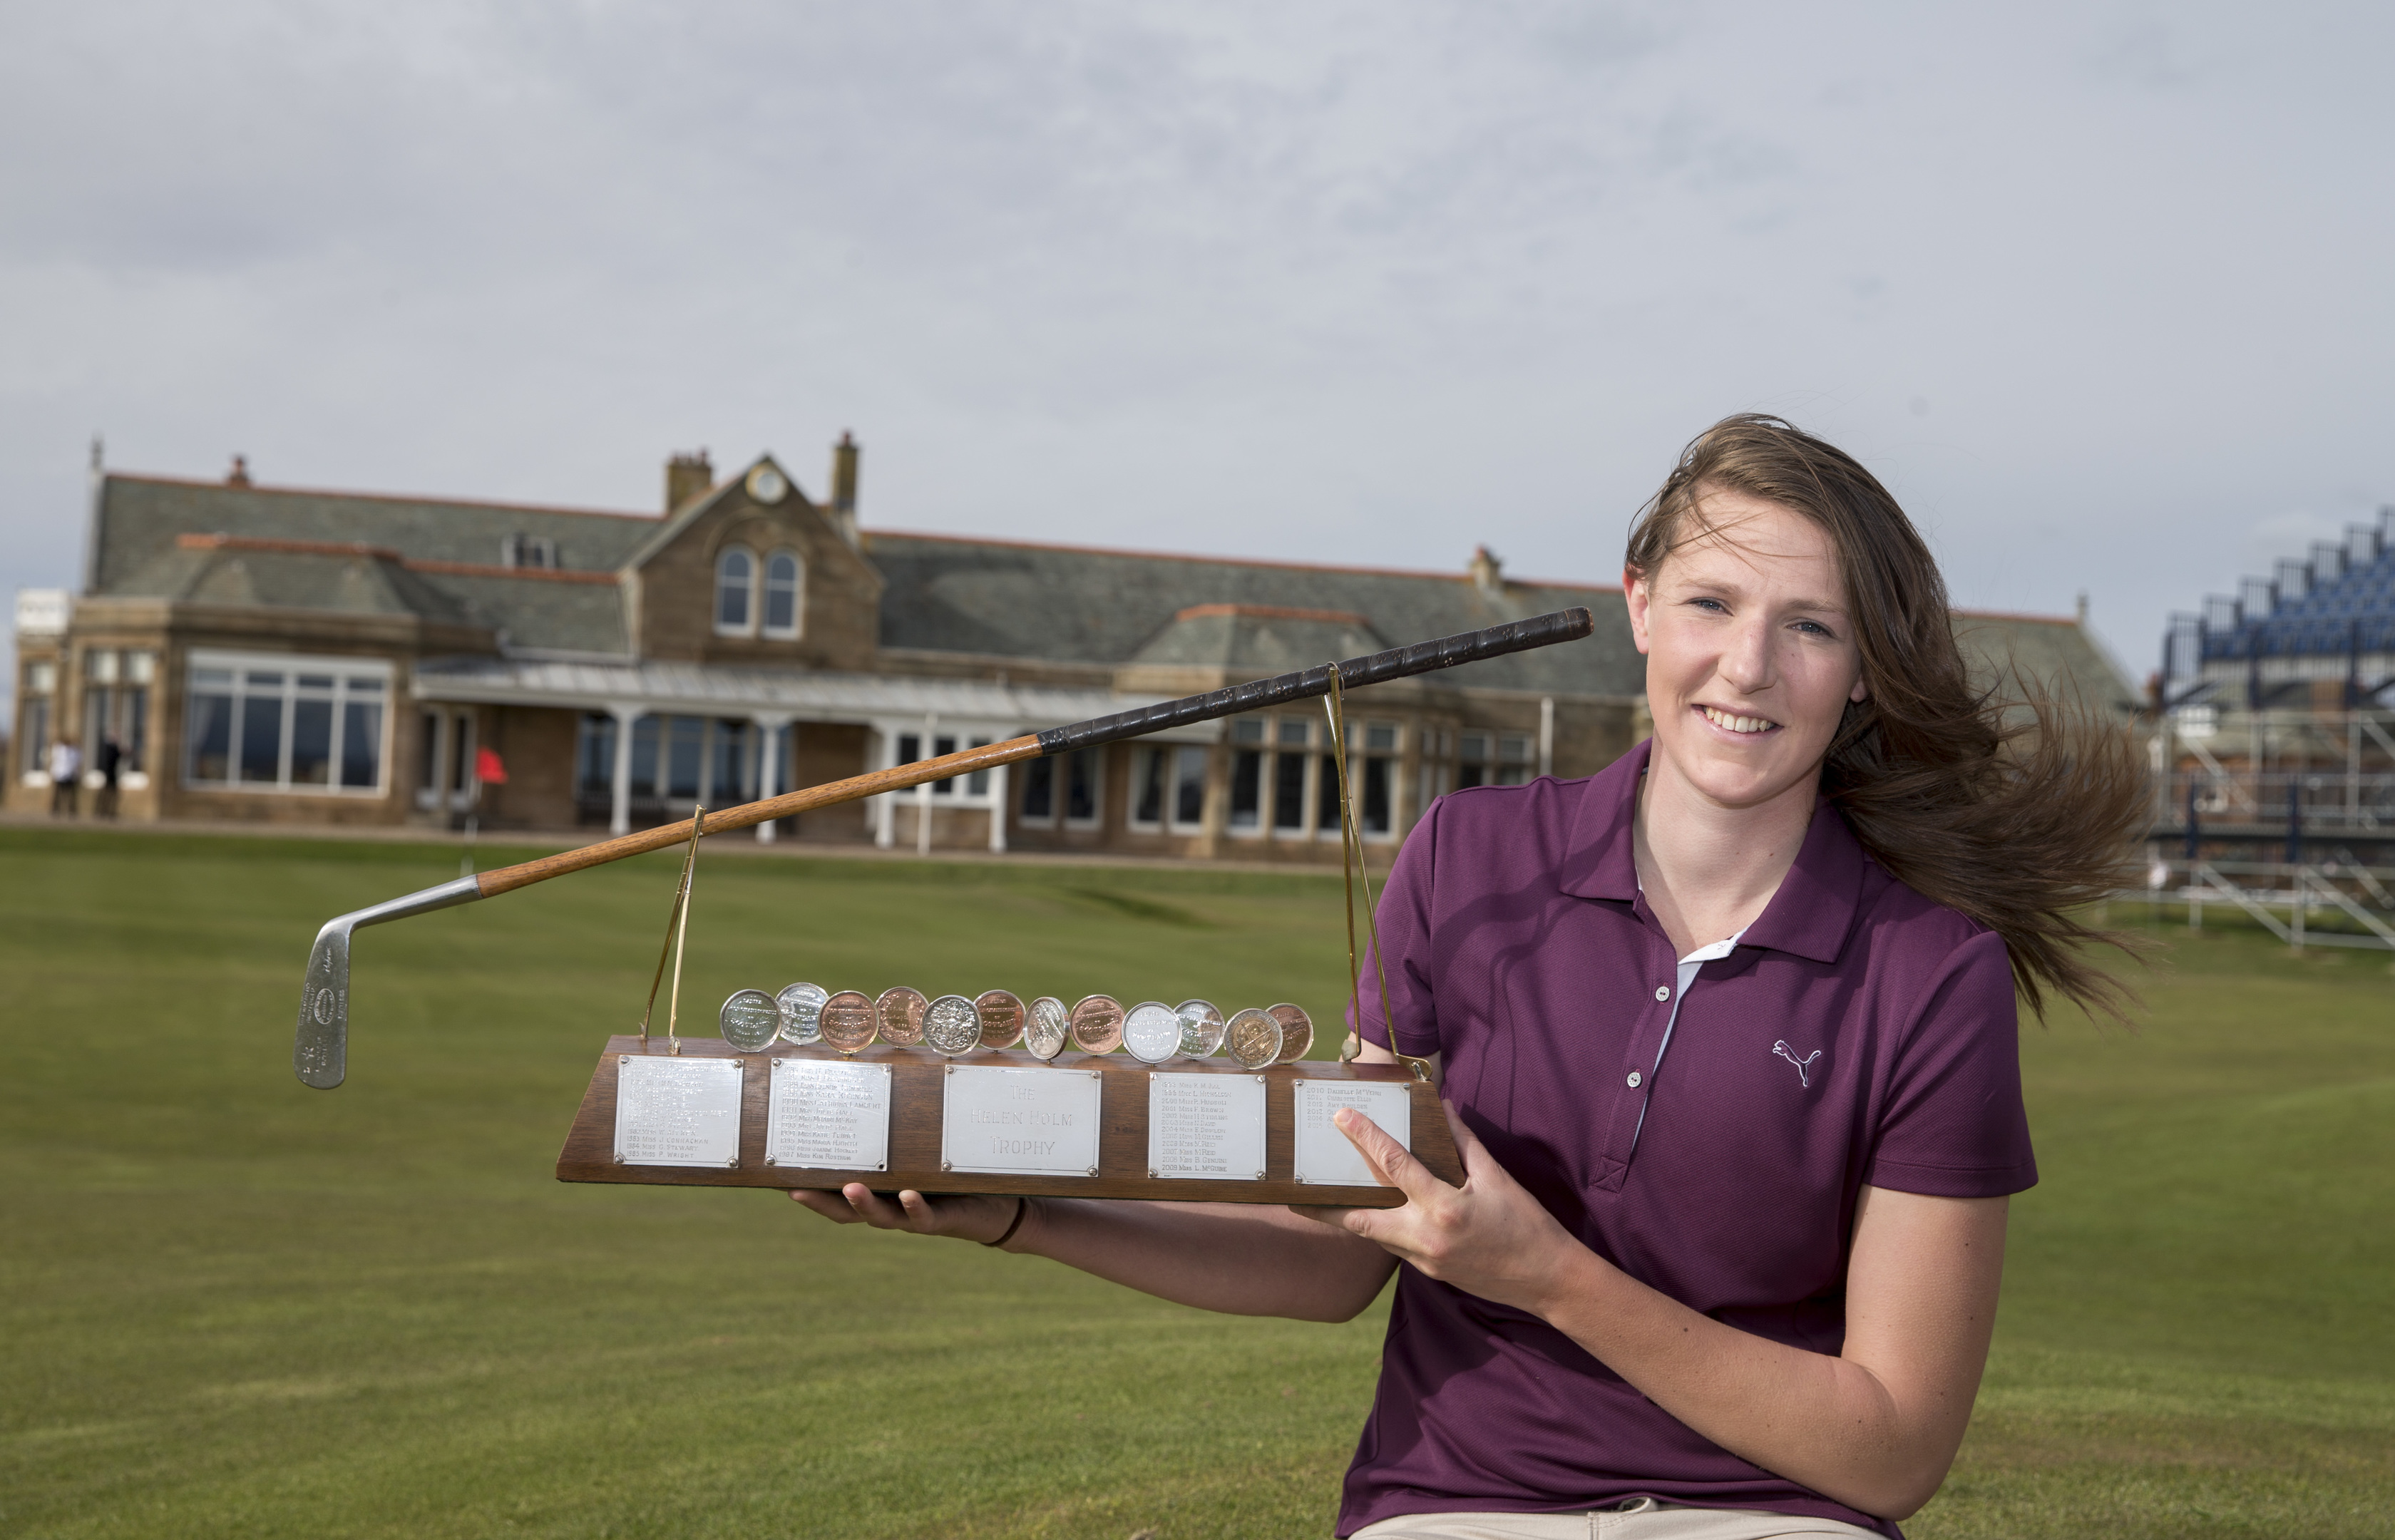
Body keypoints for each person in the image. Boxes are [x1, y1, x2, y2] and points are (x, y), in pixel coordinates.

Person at [789, 416, 2147, 1539]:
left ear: (1861, 674)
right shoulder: (1466, 860)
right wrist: (1023, 1215)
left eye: (1810, 626)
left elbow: (1892, 1450)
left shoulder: (1930, 970)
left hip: (1775, 1516)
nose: (1745, 665)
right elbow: (1329, 1262)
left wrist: (1546, 1275)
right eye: (1710, 603)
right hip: (1456, 1506)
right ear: (1636, 608)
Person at [48, 738, 81, 816]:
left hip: (71, 775)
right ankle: (56, 810)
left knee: (71, 795)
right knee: (58, 794)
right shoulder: (58, 750)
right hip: (60, 775)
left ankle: (71, 811)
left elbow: (77, 762)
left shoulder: (74, 751)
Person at [95, 732, 123, 819]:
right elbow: (110, 760)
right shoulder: (109, 748)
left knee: (111, 794)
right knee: (107, 794)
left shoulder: (110, 748)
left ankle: (108, 811)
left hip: (110, 773)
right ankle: (103, 811)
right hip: (108, 774)